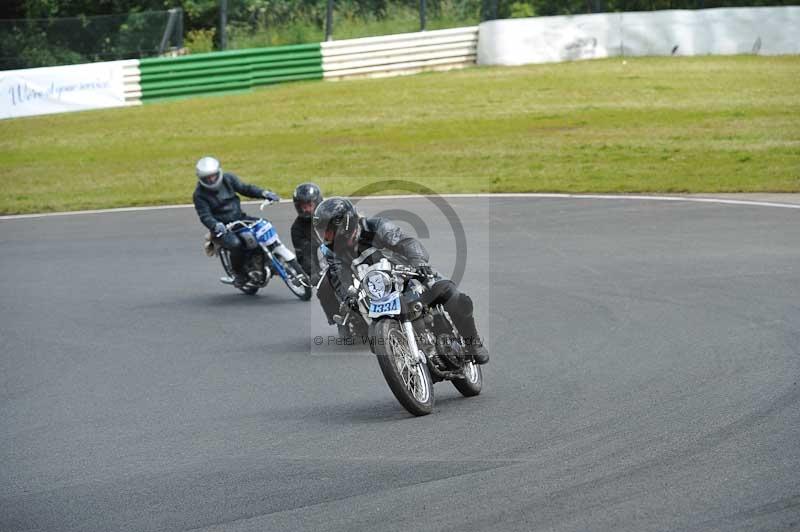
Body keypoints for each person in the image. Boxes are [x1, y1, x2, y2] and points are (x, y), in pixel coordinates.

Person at [312, 197, 489, 364]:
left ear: (345, 225)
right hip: (378, 290)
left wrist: (418, 261)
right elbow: (337, 276)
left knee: (453, 296)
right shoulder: (331, 251)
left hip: (409, 275)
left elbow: (406, 241)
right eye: (322, 233)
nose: (326, 238)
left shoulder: (375, 226)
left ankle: (473, 343)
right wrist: (347, 297)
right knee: (374, 336)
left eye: (328, 232)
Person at [192, 156, 280, 287]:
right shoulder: (199, 195)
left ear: (218, 172)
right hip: (221, 227)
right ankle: (239, 274)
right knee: (235, 244)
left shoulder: (228, 179)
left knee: (264, 225)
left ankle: (272, 259)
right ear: (201, 178)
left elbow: (246, 188)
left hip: (239, 218)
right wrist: (215, 225)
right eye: (207, 178)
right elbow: (205, 215)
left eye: (213, 176)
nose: (211, 179)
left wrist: (264, 193)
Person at [290, 182, 323, 284]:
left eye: (310, 205)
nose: (306, 209)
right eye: (303, 206)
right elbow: (305, 255)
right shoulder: (297, 229)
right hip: (327, 267)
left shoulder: (330, 213)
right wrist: (313, 273)